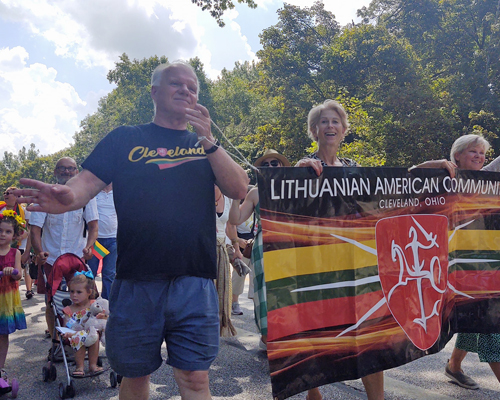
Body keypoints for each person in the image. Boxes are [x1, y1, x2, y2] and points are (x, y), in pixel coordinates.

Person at [16, 60, 248, 400]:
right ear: (154, 92)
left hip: (195, 282)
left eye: (192, 87)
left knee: (196, 380)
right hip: (137, 281)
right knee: (135, 377)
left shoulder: (205, 146)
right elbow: (85, 184)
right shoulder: (126, 138)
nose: (186, 90)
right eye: (176, 84)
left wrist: (209, 140)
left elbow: (239, 188)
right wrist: (68, 197)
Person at [295, 100, 384, 400]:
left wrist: (430, 169)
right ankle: (313, 392)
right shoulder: (304, 169)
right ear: (314, 130)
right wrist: (297, 173)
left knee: (369, 337)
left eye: (335, 122)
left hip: (355, 265)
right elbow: (285, 204)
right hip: (315, 265)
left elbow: (391, 194)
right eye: (323, 122)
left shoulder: (356, 172)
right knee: (316, 332)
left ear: (344, 130)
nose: (330, 126)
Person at [414, 134, 500, 389]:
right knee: (489, 324)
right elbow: (406, 180)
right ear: (457, 156)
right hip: (446, 266)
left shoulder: (488, 181)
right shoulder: (443, 178)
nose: (479, 157)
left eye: (482, 153)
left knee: (481, 317)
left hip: (481, 266)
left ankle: (454, 366)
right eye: (473, 151)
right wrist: (431, 164)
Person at [29, 157, 98, 340]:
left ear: (76, 172)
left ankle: (82, 341)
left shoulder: (86, 197)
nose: (66, 172)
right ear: (55, 172)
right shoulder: (45, 196)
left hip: (76, 260)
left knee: (83, 301)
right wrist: (38, 252)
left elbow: (93, 226)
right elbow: (35, 230)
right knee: (51, 302)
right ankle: (56, 341)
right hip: (51, 260)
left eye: (71, 168)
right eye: (62, 168)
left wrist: (89, 246)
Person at [229, 149, 291, 347]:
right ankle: (269, 337)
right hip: (264, 245)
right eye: (266, 165)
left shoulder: (294, 187)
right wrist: (234, 195)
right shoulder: (255, 192)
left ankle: (289, 336)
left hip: (291, 245)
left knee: (291, 291)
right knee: (265, 292)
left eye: (275, 163)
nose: (271, 167)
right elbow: (236, 219)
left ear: (282, 167)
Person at [0, 210, 27, 389]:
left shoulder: (15, 252)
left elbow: (18, 276)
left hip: (6, 300)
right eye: (0, 230)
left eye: (7, 232)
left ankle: (1, 370)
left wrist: (13, 272)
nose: (3, 234)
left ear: (14, 235)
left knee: (2, 335)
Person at [62, 273, 105, 376]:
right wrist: (68, 333)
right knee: (79, 337)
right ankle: (80, 367)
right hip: (75, 335)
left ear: (89, 292)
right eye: (72, 291)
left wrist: (102, 316)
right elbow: (66, 325)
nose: (74, 295)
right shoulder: (69, 310)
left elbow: (104, 317)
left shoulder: (93, 305)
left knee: (95, 335)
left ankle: (93, 365)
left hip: (92, 332)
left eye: (78, 292)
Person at [214, 184, 242, 337]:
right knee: (206, 290)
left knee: (222, 290)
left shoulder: (228, 198)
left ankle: (218, 326)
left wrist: (237, 249)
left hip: (222, 249)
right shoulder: (199, 191)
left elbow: (231, 225)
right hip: (201, 248)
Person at [0, 188, 32, 298]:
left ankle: (28, 290)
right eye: (5, 193)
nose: (6, 195)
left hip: (20, 245)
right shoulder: (1, 208)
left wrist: (25, 235)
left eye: (9, 193)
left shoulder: (24, 210)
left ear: (17, 196)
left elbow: (30, 228)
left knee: (23, 268)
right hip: (2, 247)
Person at [87, 183, 117, 300]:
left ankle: (106, 305)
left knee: (109, 274)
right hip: (96, 241)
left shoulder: (118, 193)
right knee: (91, 273)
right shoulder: (93, 193)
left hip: (113, 240)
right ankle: (89, 302)